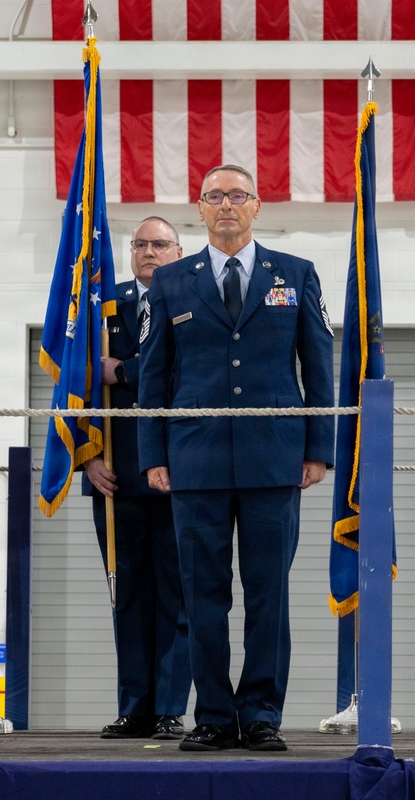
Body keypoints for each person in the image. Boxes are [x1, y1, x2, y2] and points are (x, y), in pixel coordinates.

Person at [138, 165, 335, 752]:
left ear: (258, 205)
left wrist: (319, 449)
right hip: (193, 460)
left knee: (269, 593)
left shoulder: (296, 275)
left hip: (274, 459)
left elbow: (319, 366)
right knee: (202, 594)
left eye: (238, 195)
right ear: (200, 209)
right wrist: (154, 454)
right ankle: (215, 717)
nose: (227, 205)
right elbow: (153, 379)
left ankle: (262, 714)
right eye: (215, 196)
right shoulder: (171, 282)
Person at [81, 216, 192, 741]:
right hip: (116, 472)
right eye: (141, 244)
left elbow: (183, 370)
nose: (149, 252)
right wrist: (87, 456)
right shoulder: (104, 306)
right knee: (127, 594)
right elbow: (74, 381)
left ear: (179, 250)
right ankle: (135, 706)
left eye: (160, 244)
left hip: (179, 470)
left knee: (178, 592)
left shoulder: (195, 298)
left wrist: (121, 371)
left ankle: (171, 706)